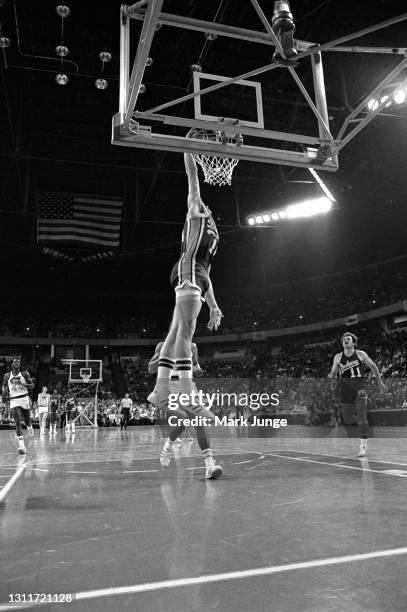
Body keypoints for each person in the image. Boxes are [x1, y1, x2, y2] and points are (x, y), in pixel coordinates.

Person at [155, 131, 223, 418]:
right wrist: (189, 145)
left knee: (176, 329)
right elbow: (192, 175)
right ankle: (188, 394)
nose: (203, 203)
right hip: (188, 269)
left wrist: (215, 306)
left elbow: (208, 275)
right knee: (187, 330)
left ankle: (159, 389)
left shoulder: (214, 232)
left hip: (198, 274)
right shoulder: (195, 210)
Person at [149, 341, 222, 479]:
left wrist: (197, 370)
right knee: (183, 421)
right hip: (168, 386)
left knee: (198, 422)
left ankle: (209, 465)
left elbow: (195, 366)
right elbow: (150, 369)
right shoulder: (162, 346)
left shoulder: (192, 346)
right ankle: (167, 448)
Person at [329, 332, 387, 457]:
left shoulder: (360, 354)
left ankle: (363, 446)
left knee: (362, 417)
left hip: (360, 388)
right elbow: (333, 373)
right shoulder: (338, 357)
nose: (346, 341)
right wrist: (331, 381)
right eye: (344, 339)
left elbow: (373, 366)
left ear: (353, 342)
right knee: (348, 419)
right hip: (345, 389)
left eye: (348, 339)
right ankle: (364, 424)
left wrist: (380, 382)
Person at [2, 358, 34, 454]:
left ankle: (29, 426)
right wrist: (4, 392)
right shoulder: (7, 375)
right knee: (17, 421)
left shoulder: (24, 374)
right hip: (14, 400)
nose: (17, 363)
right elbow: (4, 386)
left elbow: (32, 386)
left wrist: (24, 384)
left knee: (27, 420)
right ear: (11, 364)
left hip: (24, 399)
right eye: (15, 362)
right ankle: (22, 446)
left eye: (18, 362)